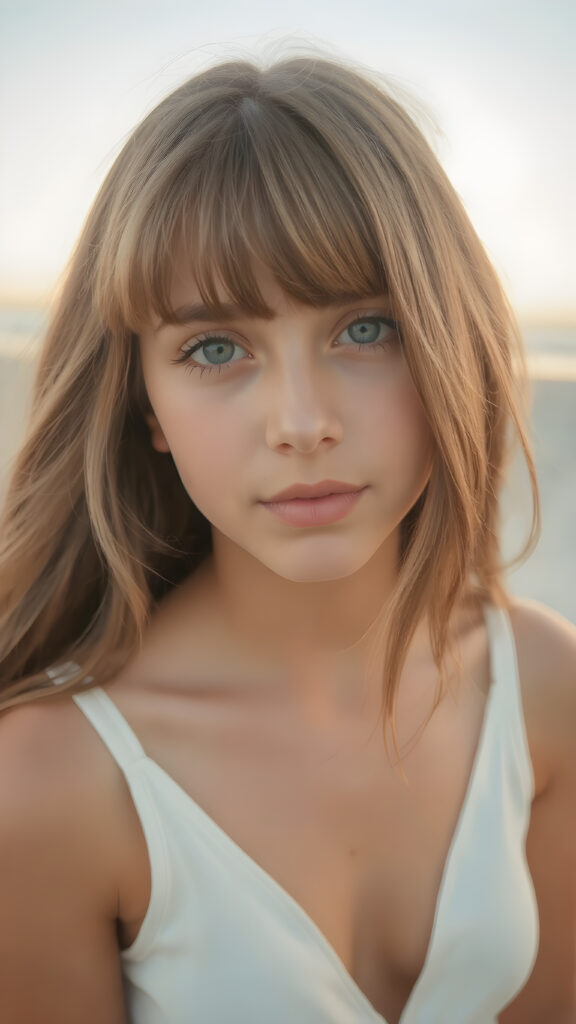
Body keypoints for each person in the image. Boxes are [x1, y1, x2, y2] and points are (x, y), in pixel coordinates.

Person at [0, 47, 575, 1024]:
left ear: (449, 335)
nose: (303, 422)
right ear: (146, 404)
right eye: (216, 348)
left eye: (367, 329)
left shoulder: (541, 681)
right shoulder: (50, 782)